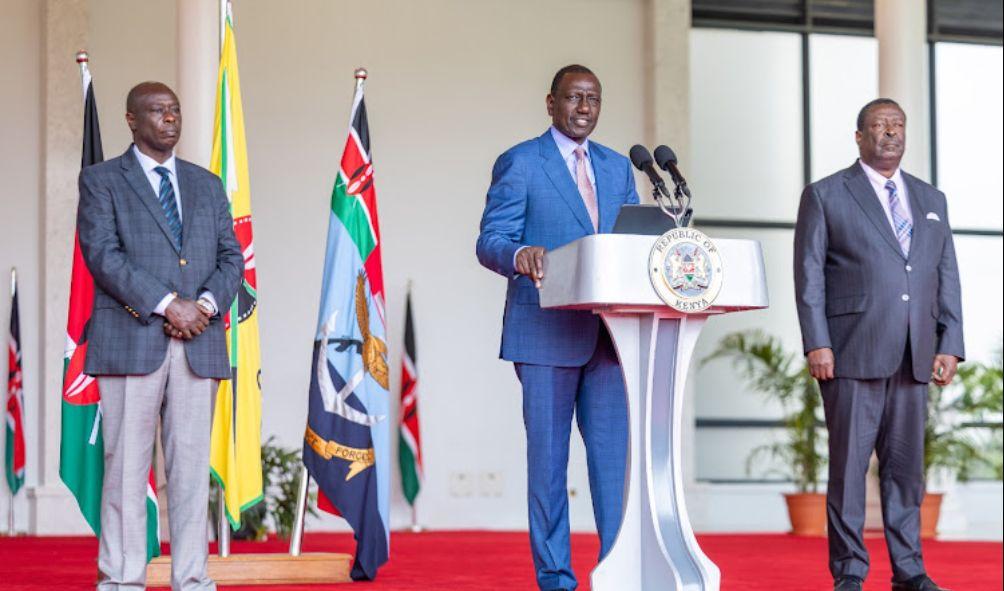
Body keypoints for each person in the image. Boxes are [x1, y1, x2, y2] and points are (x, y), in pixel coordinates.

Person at [476, 64, 640, 591]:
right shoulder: (522, 163)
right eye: (574, 98)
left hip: (610, 340)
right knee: (548, 467)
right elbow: (490, 239)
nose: (584, 107)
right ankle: (556, 579)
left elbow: (631, 243)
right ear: (551, 103)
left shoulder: (618, 169)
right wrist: (520, 253)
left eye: (593, 98)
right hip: (545, 335)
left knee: (614, 467)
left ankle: (617, 572)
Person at [77, 81, 244, 591]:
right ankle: (122, 579)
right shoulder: (102, 180)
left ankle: (192, 579)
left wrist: (206, 306)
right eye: (157, 111)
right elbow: (103, 256)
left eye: (174, 110)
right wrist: (170, 304)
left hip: (199, 343)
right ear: (131, 119)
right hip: (131, 338)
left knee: (191, 470)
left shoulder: (206, 184)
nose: (169, 118)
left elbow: (231, 257)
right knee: (126, 468)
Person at [793, 98, 964, 591]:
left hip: (915, 354)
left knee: (906, 472)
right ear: (859, 136)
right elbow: (808, 276)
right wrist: (817, 342)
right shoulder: (826, 195)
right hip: (850, 352)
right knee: (848, 470)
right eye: (878, 126)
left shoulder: (932, 200)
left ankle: (909, 571)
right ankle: (849, 572)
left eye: (897, 126)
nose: (889, 134)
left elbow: (945, 274)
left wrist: (949, 341)